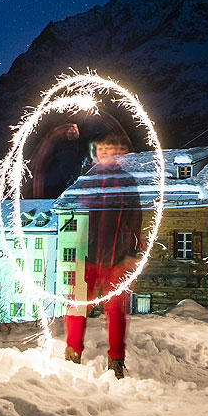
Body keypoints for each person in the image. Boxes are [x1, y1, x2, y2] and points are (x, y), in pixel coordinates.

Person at [63, 129, 141, 379]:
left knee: (116, 310)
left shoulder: (127, 181)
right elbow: (76, 213)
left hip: (117, 256)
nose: (105, 153)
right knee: (76, 307)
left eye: (110, 148)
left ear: (119, 152)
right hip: (87, 255)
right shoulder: (87, 180)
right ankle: (72, 353)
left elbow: (136, 219)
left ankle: (116, 360)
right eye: (100, 149)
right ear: (95, 152)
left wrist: (132, 253)